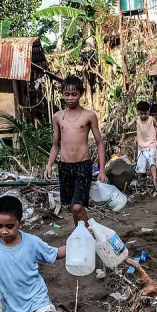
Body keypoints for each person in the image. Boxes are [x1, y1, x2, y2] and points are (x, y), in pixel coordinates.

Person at [44, 75, 107, 226]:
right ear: (62, 94)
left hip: (83, 166)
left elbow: (99, 143)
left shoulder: (89, 115)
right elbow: (55, 145)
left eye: (74, 94)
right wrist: (49, 165)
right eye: (67, 94)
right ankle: (79, 235)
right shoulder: (58, 117)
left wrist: (102, 169)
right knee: (73, 207)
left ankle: (89, 235)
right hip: (64, 166)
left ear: (81, 94)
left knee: (78, 206)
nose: (70, 98)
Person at [126, 101, 157, 185]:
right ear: (138, 112)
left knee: (152, 163)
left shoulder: (152, 119)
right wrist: (126, 126)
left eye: (145, 113)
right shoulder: (136, 119)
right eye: (141, 114)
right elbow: (129, 124)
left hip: (151, 145)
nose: (143, 115)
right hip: (141, 147)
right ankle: (143, 185)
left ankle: (155, 183)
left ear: (148, 112)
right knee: (141, 168)